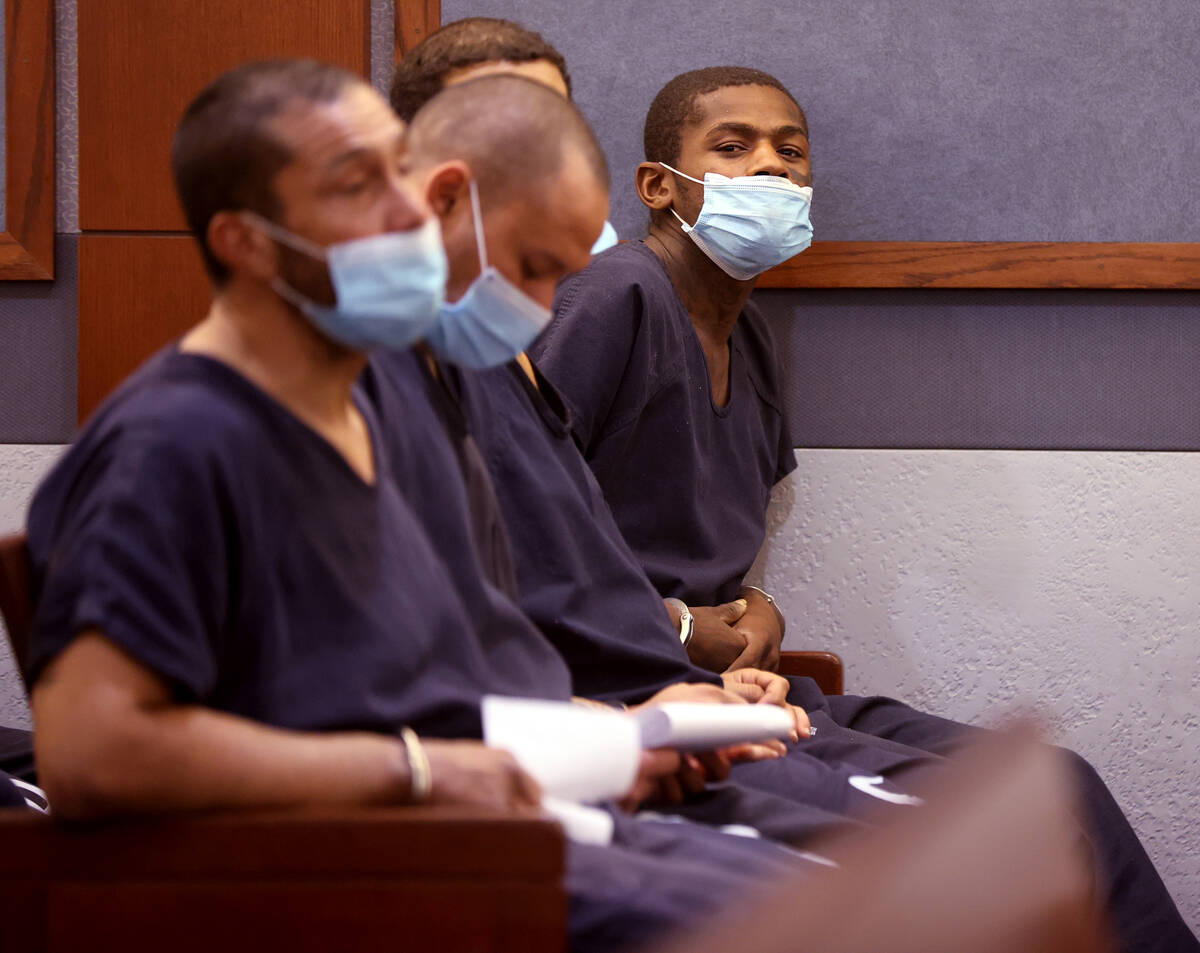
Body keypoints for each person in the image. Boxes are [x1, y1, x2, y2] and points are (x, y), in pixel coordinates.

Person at [22, 60, 853, 953]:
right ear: (248, 243)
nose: (416, 204)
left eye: (404, 168)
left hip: (487, 818)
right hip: (351, 864)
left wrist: (618, 734)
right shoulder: (175, 440)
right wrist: (423, 770)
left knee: (859, 892)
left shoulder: (384, 421)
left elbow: (421, 682)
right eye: (359, 184)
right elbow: (92, 758)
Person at [529, 65, 1198, 952]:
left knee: (1051, 782)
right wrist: (682, 629)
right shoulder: (614, 300)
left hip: (750, 684)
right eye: (733, 148)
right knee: (962, 849)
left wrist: (758, 608)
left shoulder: (752, 335)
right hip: (630, 684)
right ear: (659, 185)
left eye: (789, 152)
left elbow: (717, 535)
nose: (770, 168)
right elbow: (514, 528)